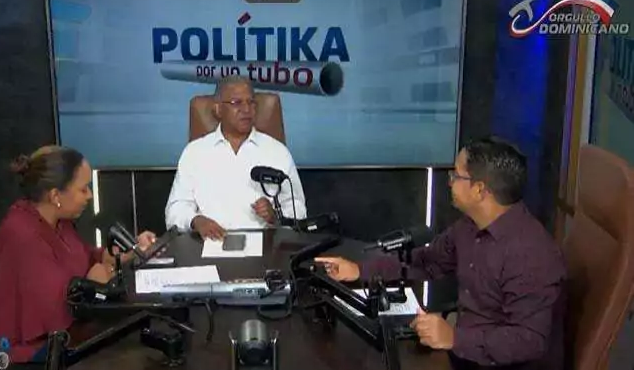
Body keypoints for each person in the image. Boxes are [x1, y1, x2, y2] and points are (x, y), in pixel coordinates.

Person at [315, 137, 566, 370]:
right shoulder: (469, 226)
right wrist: (359, 270)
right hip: (465, 350)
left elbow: (529, 340)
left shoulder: (532, 254)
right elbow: (426, 262)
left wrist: (455, 338)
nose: (449, 181)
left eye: (456, 175)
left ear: (479, 190)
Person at [0, 146, 158, 363]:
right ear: (55, 195)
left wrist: (125, 254)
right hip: (35, 352)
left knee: (144, 325)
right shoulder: (21, 238)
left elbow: (84, 256)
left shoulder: (56, 220)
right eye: (83, 189)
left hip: (70, 330)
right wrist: (94, 284)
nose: (90, 195)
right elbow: (55, 313)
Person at [165, 76, 307, 239]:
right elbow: (174, 211)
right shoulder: (194, 152)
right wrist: (196, 220)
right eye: (236, 103)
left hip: (266, 246)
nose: (246, 109)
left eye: (251, 102)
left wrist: (276, 216)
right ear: (218, 109)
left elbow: (298, 209)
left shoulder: (277, 152)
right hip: (209, 244)